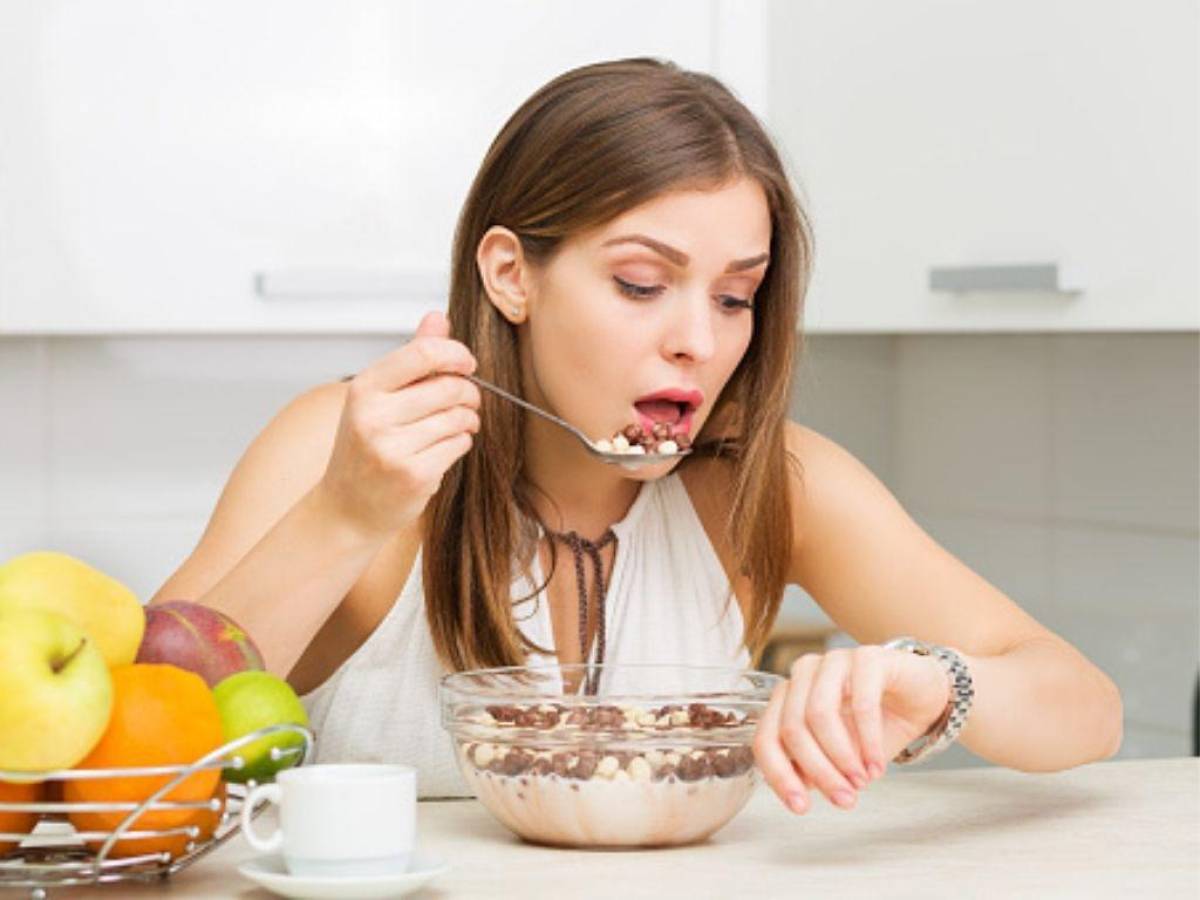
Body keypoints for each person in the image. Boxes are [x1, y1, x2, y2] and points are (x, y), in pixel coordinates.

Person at [154, 58, 1122, 810]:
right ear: (510, 276)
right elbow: (130, 744)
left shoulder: (769, 484)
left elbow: (1086, 707)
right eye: (641, 285)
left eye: (737, 295)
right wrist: (341, 515)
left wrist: (938, 685)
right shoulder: (350, 449)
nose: (698, 341)